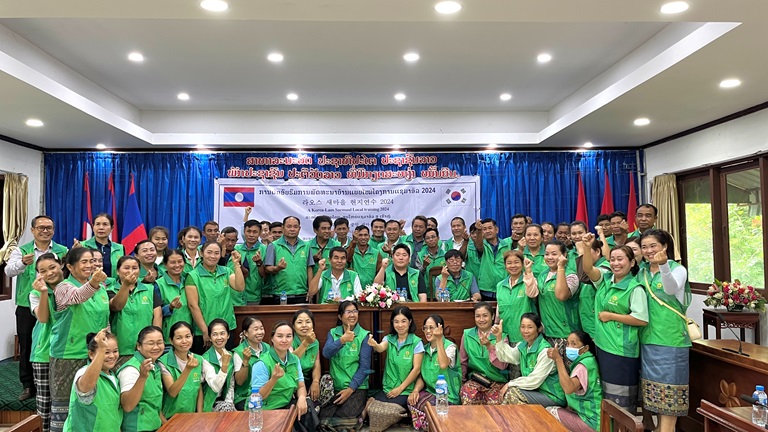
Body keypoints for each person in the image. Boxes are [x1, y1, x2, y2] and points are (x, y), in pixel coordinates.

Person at [581, 234, 648, 412]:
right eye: (612, 259)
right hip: (603, 345)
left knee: (622, 401)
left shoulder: (635, 287)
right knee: (607, 397)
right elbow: (588, 268)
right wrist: (587, 247)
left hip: (621, 349)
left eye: (620, 259)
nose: (616, 263)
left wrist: (611, 316)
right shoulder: (605, 280)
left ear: (632, 263)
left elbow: (641, 319)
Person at [4, 215, 68, 401]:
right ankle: (27, 385)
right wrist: (23, 262)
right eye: (40, 227)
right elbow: (8, 271)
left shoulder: (62, 250)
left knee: (54, 342)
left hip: (56, 303)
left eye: (49, 227)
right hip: (27, 304)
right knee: (27, 345)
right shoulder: (21, 250)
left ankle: (52, 381)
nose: (45, 231)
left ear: (53, 230)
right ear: (32, 230)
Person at [49, 248, 109, 432]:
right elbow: (78, 297)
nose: (90, 265)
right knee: (65, 406)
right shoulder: (63, 287)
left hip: (95, 355)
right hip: (69, 355)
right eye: (84, 261)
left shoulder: (102, 288)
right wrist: (94, 282)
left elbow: (105, 320)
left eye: (92, 261)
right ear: (70, 266)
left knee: (91, 403)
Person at [638, 229, 691, 432]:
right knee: (654, 395)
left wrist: (663, 266)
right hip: (647, 339)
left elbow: (671, 289)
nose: (649, 250)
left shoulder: (678, 269)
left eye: (653, 246)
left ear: (665, 246)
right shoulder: (641, 271)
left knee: (670, 397)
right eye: (645, 247)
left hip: (671, 341)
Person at [252, 321, 317, 432]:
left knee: (308, 405)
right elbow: (258, 397)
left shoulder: (294, 359)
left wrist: (301, 398)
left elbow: (301, 386)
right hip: (267, 409)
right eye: (280, 336)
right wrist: (273, 379)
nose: (284, 340)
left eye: (288, 336)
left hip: (287, 405)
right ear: (272, 339)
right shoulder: (262, 363)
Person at [491, 313, 566, 407]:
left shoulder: (545, 351)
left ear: (539, 329)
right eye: (522, 327)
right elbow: (507, 356)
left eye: (530, 327)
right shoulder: (523, 345)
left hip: (551, 396)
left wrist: (510, 383)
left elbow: (534, 380)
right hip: (534, 392)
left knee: (512, 393)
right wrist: (498, 337)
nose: (525, 331)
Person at [185, 241, 244, 354]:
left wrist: (236, 264)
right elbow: (193, 306)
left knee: (227, 363)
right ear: (201, 253)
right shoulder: (193, 275)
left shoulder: (226, 271)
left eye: (216, 253)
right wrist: (205, 331)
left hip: (226, 329)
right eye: (209, 252)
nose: (213, 256)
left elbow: (240, 287)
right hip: (204, 331)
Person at [320, 301, 372, 427]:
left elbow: (365, 368)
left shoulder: (365, 335)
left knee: (343, 422)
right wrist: (342, 340)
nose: (352, 315)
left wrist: (350, 389)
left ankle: (363, 412)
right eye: (348, 312)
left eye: (355, 311)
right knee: (323, 421)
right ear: (340, 316)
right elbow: (326, 353)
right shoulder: (333, 333)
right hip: (335, 387)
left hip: (357, 388)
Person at [30, 253, 65, 432]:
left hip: (68, 352)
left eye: (52, 267)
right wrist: (44, 292)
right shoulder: (35, 293)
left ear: (61, 265)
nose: (49, 273)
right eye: (42, 271)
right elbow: (43, 318)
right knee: (45, 401)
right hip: (44, 352)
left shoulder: (73, 287)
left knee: (66, 401)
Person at [407, 315, 461, 431]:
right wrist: (415, 390)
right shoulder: (425, 349)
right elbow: (422, 375)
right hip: (431, 392)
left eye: (431, 328)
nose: (427, 331)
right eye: (425, 328)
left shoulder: (450, 347)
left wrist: (440, 339)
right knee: (412, 400)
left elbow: (443, 364)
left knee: (434, 410)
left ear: (439, 329)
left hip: (448, 396)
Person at [107, 256, 163, 366]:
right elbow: (116, 306)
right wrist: (126, 285)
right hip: (120, 349)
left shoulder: (150, 289)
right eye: (126, 268)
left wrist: (155, 341)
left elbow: (158, 316)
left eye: (135, 268)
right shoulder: (110, 290)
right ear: (118, 271)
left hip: (146, 350)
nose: (131, 271)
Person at [62, 329, 121, 432]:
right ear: (91, 354)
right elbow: (86, 386)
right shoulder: (84, 372)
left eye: (115, 351)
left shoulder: (113, 377)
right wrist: (102, 349)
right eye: (106, 352)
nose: (112, 356)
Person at [545, 331, 603, 432]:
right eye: (567, 343)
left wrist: (558, 359)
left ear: (585, 348)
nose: (569, 347)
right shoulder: (589, 361)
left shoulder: (583, 366)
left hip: (591, 422)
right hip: (595, 419)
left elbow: (569, 388)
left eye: (574, 344)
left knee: (549, 412)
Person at [367, 306, 424, 410]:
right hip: (388, 389)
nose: (400, 325)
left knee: (387, 411)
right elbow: (380, 348)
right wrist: (374, 344)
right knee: (371, 408)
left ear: (410, 322)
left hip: (406, 390)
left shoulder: (417, 342)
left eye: (403, 321)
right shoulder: (389, 338)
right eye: (396, 322)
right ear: (392, 323)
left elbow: (416, 370)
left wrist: (400, 389)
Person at [459, 302, 509, 405]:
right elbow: (462, 362)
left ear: (493, 316)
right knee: (467, 396)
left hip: (497, 381)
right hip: (476, 379)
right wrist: (462, 382)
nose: (481, 320)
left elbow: (503, 365)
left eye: (485, 316)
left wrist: (489, 346)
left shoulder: (502, 336)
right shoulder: (467, 335)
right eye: (478, 316)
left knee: (494, 406)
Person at [531, 240, 580, 344]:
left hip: (566, 333)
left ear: (564, 255)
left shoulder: (571, 275)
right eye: (546, 254)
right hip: (547, 332)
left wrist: (561, 267)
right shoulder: (542, 275)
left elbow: (562, 296)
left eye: (554, 254)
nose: (549, 257)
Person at [117, 325, 166, 431]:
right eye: (151, 343)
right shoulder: (131, 369)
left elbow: (154, 405)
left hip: (154, 426)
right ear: (139, 346)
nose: (156, 347)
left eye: (159, 342)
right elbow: (127, 405)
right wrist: (142, 377)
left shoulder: (154, 366)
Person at [264, 216, 314, 304]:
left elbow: (309, 269)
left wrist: (310, 290)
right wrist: (278, 268)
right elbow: (267, 268)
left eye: (295, 227)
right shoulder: (273, 246)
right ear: (283, 228)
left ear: (299, 228)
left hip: (302, 293)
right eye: (289, 226)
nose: (292, 229)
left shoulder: (306, 246)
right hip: (281, 294)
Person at [157, 322, 204, 417]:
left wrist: (199, 415)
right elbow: (172, 392)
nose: (184, 341)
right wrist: (187, 369)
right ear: (171, 340)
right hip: (171, 417)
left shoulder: (198, 359)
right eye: (179, 338)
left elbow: (198, 389)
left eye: (187, 336)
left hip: (191, 417)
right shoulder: (163, 362)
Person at [495, 251, 536, 342]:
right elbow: (499, 311)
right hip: (506, 336)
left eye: (516, 262)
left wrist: (528, 271)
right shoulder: (500, 285)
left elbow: (533, 294)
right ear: (505, 266)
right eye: (509, 263)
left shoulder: (529, 281)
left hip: (525, 337)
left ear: (522, 264)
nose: (513, 266)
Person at [232, 317, 270, 411]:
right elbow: (240, 382)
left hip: (266, 393)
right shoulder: (239, 352)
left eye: (261, 328)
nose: (260, 332)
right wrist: (245, 361)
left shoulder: (267, 347)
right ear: (246, 333)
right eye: (255, 329)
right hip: (245, 397)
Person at [471, 218, 513, 301]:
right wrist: (478, 231)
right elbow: (479, 246)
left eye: (490, 228)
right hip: (486, 289)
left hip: (505, 287)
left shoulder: (507, 244)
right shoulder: (482, 245)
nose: (487, 231)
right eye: (484, 229)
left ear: (496, 229)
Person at [201, 319, 238, 411]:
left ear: (228, 335)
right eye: (214, 334)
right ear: (209, 337)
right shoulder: (205, 359)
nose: (219, 337)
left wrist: (229, 403)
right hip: (209, 403)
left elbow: (231, 384)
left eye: (222, 333)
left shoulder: (231, 355)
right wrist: (224, 367)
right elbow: (215, 387)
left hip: (225, 403)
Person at [577, 240, 610, 339]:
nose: (584, 254)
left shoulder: (605, 267)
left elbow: (585, 277)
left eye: (587, 250)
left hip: (599, 326)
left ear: (598, 252)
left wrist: (581, 254)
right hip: (588, 325)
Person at [155, 250, 190, 344]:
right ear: (165, 264)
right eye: (173, 262)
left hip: (188, 334)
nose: (177, 265)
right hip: (169, 336)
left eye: (180, 261)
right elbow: (154, 312)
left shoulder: (189, 281)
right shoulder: (158, 284)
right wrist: (170, 307)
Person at [80, 213, 125, 278]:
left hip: (113, 286)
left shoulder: (120, 248)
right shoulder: (82, 246)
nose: (101, 227)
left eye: (105, 224)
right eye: (97, 224)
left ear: (112, 228)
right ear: (93, 227)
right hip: (89, 285)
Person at [235, 219, 267, 304]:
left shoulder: (265, 249)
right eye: (248, 231)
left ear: (260, 233)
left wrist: (259, 263)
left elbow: (265, 275)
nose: (251, 235)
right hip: (236, 296)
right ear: (244, 232)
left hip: (255, 295)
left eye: (255, 232)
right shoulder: (236, 249)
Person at [292, 309, 321, 402]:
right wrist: (306, 343)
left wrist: (315, 382)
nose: (304, 325)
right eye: (300, 322)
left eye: (308, 322)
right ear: (293, 326)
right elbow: (291, 361)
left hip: (308, 379)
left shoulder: (315, 342)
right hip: (293, 380)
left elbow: (316, 365)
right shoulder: (289, 340)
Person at [415, 228, 447, 298]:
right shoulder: (420, 255)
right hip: (426, 292)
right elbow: (417, 275)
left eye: (433, 237)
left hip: (443, 292)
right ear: (425, 241)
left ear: (438, 238)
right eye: (427, 238)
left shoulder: (446, 255)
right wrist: (424, 266)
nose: (431, 240)